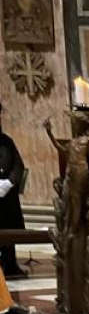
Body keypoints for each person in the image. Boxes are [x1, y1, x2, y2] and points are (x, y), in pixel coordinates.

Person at [0, 100, 27, 278]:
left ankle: (10, 264)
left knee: (9, 228)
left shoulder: (6, 141)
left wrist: (8, 183)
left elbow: (18, 165)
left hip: (6, 195)